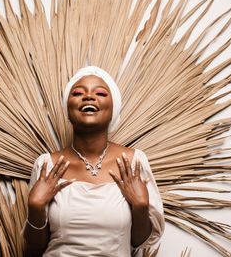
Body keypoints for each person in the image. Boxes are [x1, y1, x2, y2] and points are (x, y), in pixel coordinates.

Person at [24, 66, 164, 257]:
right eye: (78, 93)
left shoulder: (134, 162)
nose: (88, 96)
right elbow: (34, 249)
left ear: (113, 108)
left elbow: (139, 243)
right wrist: (35, 207)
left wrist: (140, 207)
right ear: (68, 108)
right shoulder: (46, 165)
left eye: (100, 93)